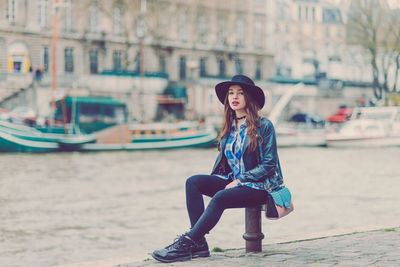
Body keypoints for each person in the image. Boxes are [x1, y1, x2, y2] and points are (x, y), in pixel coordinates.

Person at [152, 75, 285, 263]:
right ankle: (199, 245)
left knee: (220, 197)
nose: (234, 97)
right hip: (234, 181)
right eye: (231, 93)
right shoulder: (228, 127)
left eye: (240, 92)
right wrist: (220, 180)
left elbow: (269, 165)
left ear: (249, 97)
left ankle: (187, 242)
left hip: (259, 186)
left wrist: (240, 180)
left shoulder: (264, 125)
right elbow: (224, 163)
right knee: (193, 182)